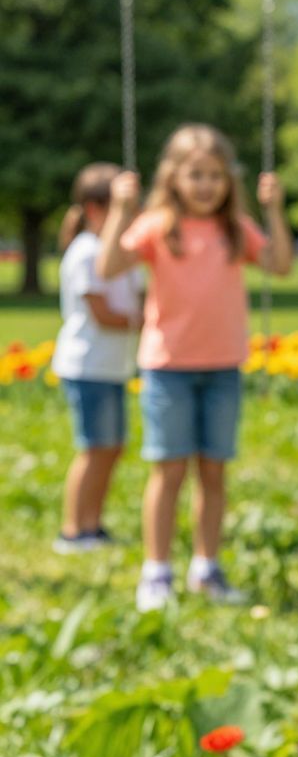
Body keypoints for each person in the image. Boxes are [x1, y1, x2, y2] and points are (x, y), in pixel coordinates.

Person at [98, 125, 293, 612]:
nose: (206, 185)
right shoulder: (157, 224)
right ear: (174, 177)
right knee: (168, 470)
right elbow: (107, 268)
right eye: (196, 175)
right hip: (169, 366)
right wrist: (121, 209)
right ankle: (156, 571)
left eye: (216, 175)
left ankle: (206, 568)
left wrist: (273, 211)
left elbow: (281, 265)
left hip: (223, 365)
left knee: (214, 471)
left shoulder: (235, 229)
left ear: (229, 180)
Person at [51, 162, 142, 553]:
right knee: (93, 448)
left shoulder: (120, 254)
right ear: (94, 209)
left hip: (111, 365)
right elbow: (103, 315)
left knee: (111, 447)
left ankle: (93, 523)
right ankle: (74, 529)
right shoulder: (86, 252)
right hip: (87, 364)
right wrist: (148, 321)